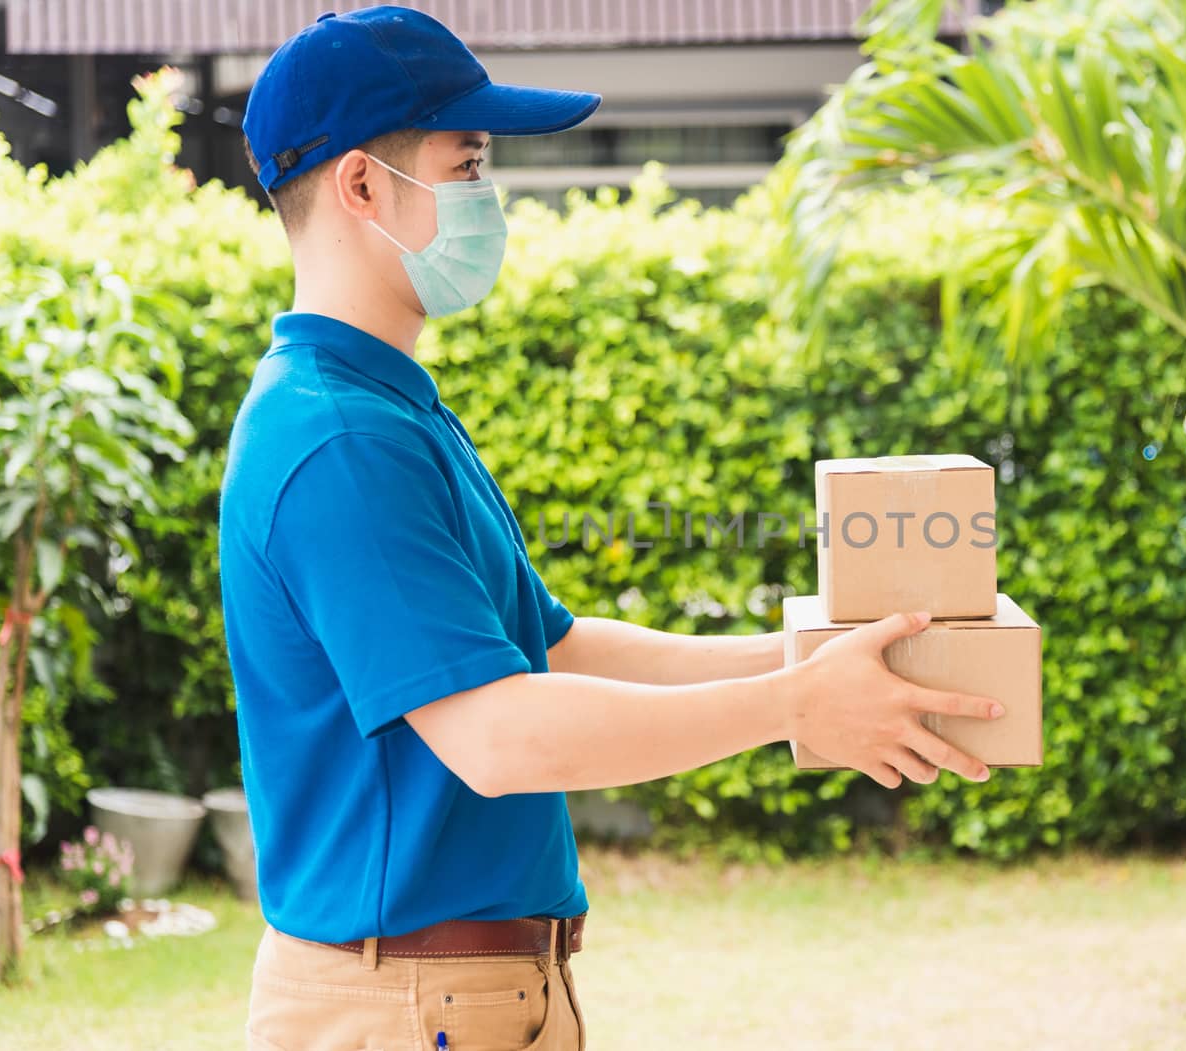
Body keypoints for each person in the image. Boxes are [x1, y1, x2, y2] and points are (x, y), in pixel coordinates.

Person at [220, 7, 1001, 1049]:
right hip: (409, 1002)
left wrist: (818, 658)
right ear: (362, 185)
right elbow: (496, 738)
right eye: (468, 163)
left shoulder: (386, 408)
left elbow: (557, 646)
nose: (486, 198)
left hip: (462, 992)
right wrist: (792, 704)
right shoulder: (341, 441)